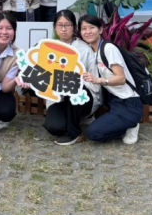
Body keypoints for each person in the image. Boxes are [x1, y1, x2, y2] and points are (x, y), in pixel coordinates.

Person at [79, 14, 143, 145]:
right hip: (114, 102)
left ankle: (131, 125)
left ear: (100, 30)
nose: (88, 31)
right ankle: (123, 125)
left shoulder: (108, 49)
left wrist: (99, 80)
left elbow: (121, 79)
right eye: (84, 28)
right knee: (93, 131)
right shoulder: (92, 51)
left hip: (129, 102)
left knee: (93, 133)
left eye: (91, 27)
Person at [43, 10, 101, 146]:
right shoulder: (49, 49)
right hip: (60, 98)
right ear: (55, 27)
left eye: (68, 25)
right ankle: (73, 119)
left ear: (74, 27)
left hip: (82, 97)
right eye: (60, 25)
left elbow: (94, 82)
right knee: (54, 127)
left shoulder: (84, 49)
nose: (63, 29)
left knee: (73, 86)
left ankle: (74, 133)